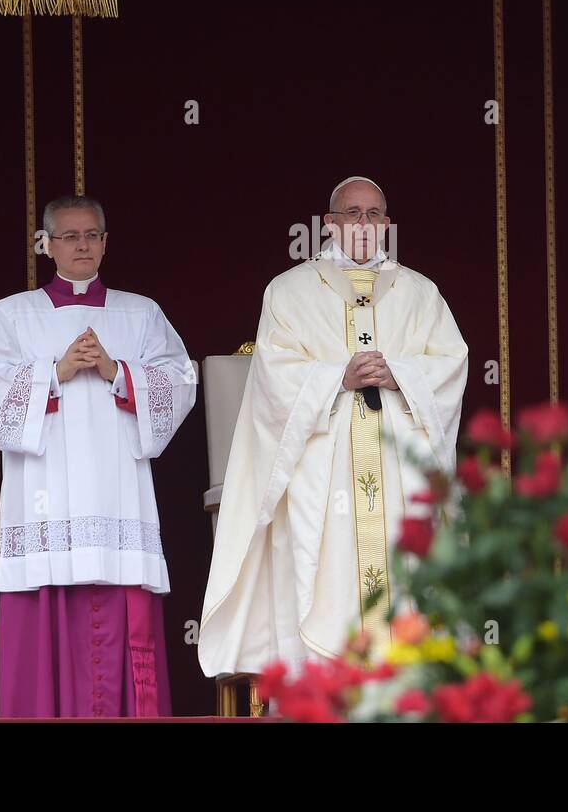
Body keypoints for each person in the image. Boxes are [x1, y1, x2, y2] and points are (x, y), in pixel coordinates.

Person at [199, 176, 468, 676]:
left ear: (387, 225)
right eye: (352, 213)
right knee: (321, 568)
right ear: (330, 223)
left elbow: (451, 363)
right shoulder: (289, 290)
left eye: (373, 215)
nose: (363, 224)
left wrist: (401, 372)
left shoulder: (420, 293)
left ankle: (405, 693)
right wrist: (336, 378)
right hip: (321, 469)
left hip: (396, 467)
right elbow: (273, 376)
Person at [0, 194, 195, 716]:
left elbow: (181, 382)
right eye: (70, 236)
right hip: (45, 504)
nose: (82, 245)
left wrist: (118, 372)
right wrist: (56, 371)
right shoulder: (11, 316)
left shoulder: (141, 314)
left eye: (92, 235)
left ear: (106, 241)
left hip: (120, 503)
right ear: (46, 244)